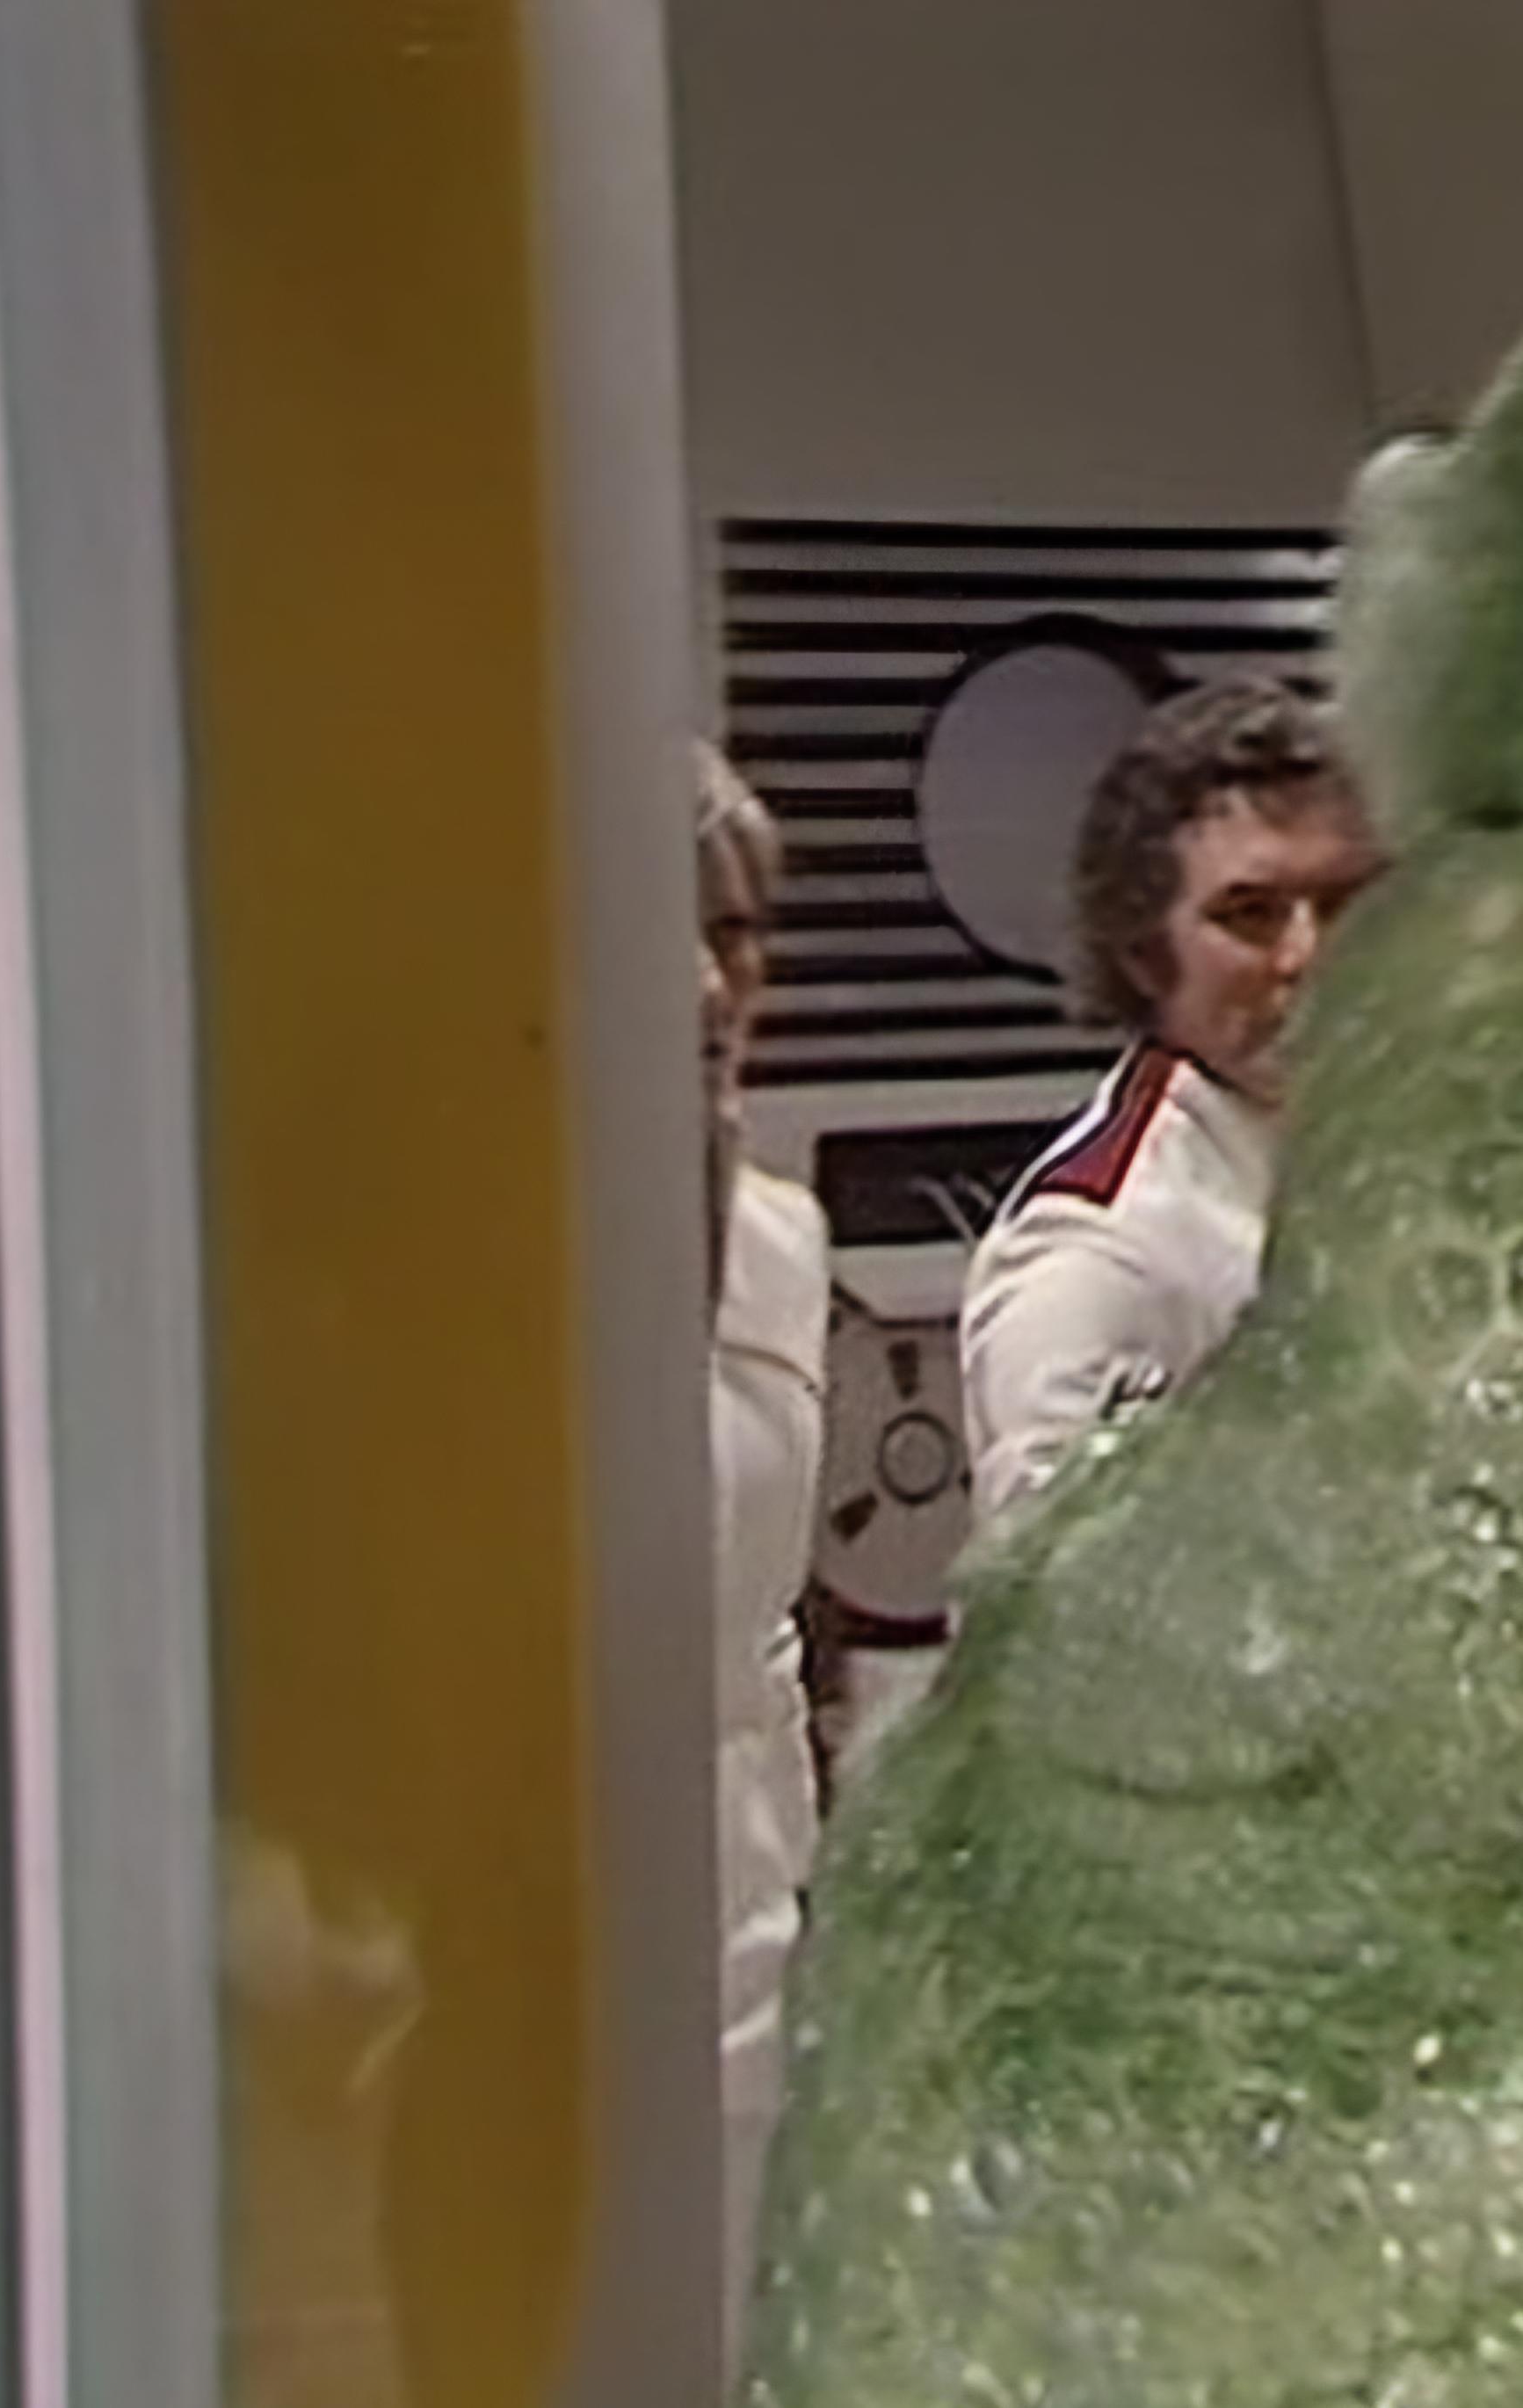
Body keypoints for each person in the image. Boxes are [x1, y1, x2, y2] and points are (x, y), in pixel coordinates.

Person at [960, 678, 1383, 1530]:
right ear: (1145, 954)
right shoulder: (1101, 1256)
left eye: (1344, 903)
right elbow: (1057, 1601)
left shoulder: (1401, 1152)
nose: (1309, 955)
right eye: (1250, 914)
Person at [698, 742, 829, 2366]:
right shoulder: (494, 1244)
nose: (709, 981)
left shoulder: (789, 1241)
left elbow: (777, 1636)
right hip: (529, 1946)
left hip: (755, 1950)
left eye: (737, 934)